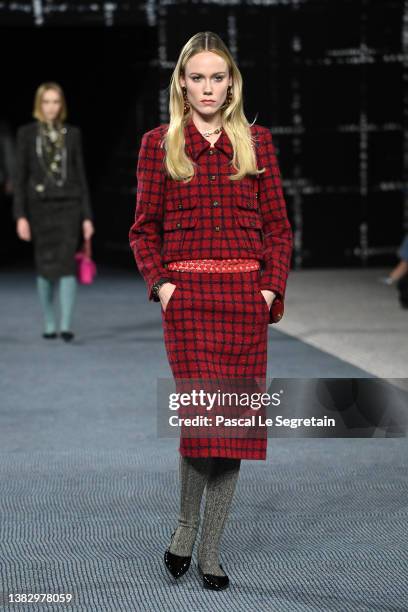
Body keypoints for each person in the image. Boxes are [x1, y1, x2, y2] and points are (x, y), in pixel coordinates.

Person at [129, 31, 293, 590]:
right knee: (205, 419)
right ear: (181, 81)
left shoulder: (256, 142)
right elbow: (142, 231)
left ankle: (211, 552)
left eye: (217, 77)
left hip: (245, 301)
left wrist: (269, 290)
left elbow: (278, 228)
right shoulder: (159, 144)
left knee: (235, 427)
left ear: (231, 83)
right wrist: (164, 287)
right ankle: (184, 529)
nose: (207, 87)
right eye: (196, 77)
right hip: (191, 304)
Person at [13, 82, 95, 341]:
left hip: (68, 205)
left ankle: (66, 324)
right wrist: (20, 216)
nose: (51, 107)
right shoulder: (27, 134)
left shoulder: (72, 134)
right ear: (39, 105)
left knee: (68, 263)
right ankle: (50, 321)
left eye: (55, 102)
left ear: (62, 105)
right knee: (45, 265)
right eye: (46, 102)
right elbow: (19, 177)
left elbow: (81, 175)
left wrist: (87, 216)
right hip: (39, 208)